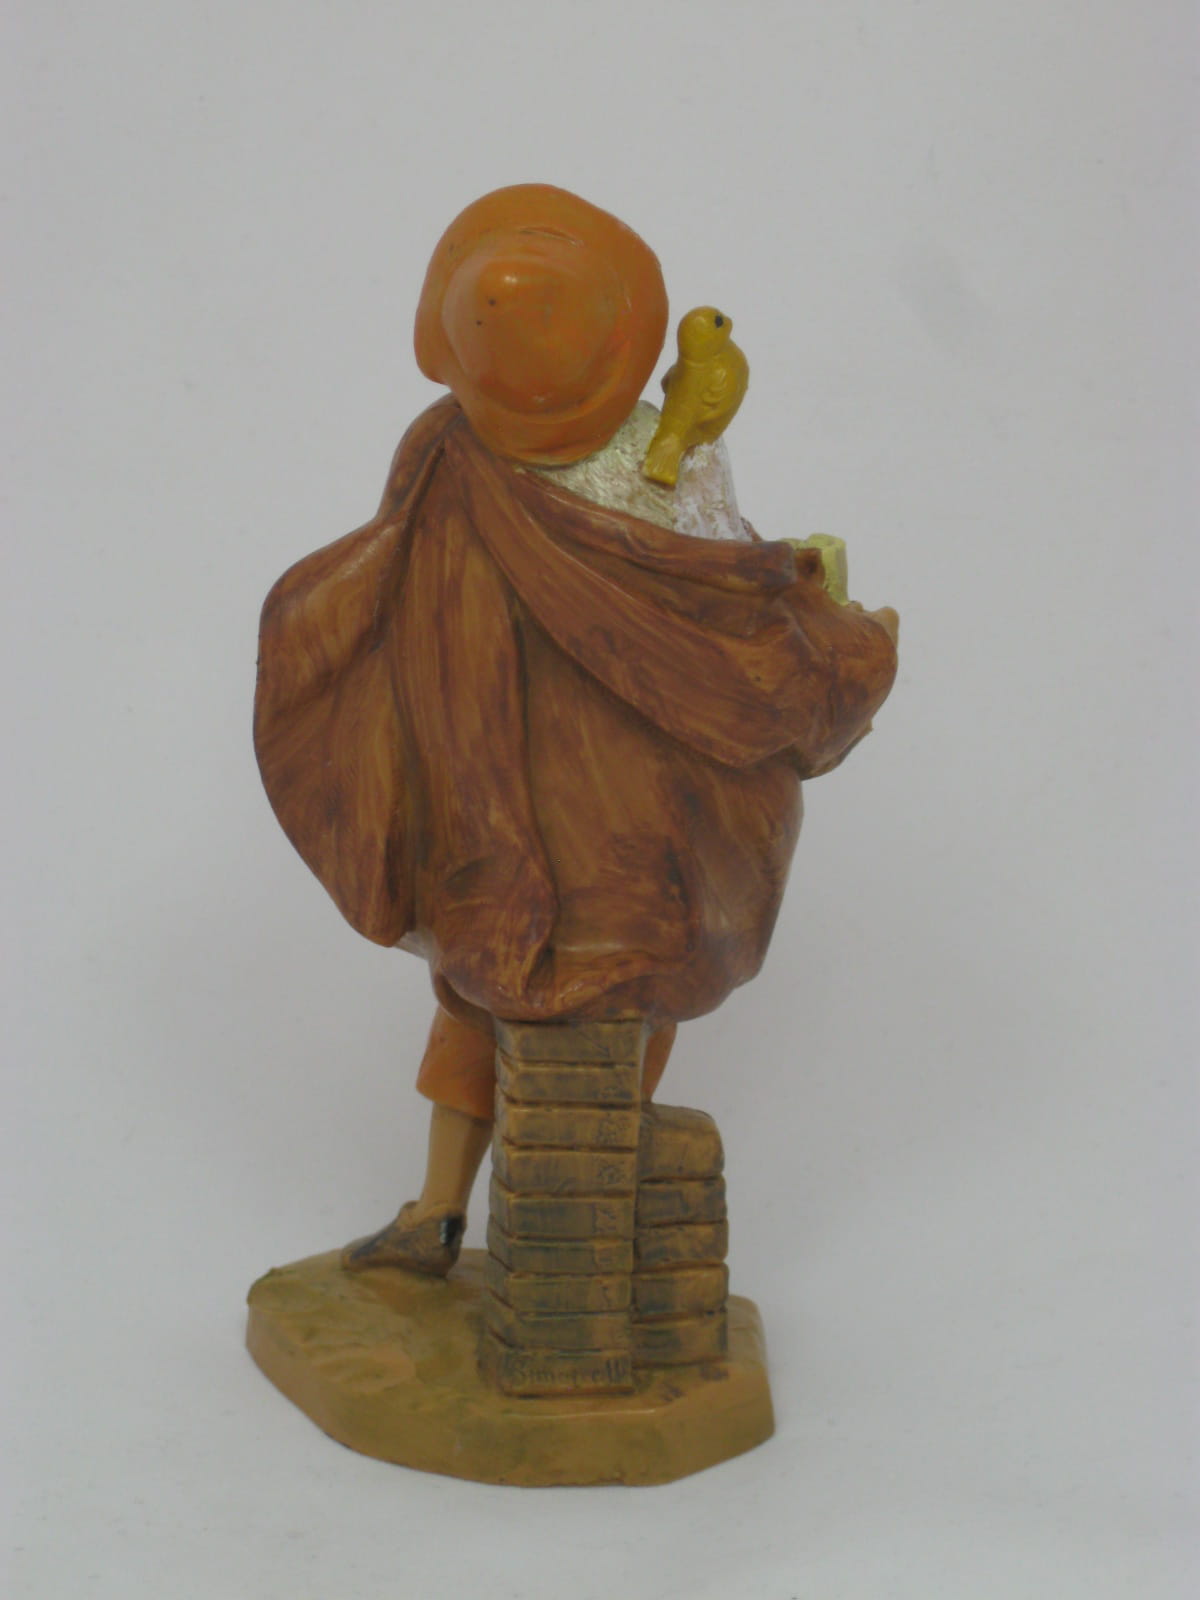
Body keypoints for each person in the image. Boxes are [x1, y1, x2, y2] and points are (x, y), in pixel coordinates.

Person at [253, 184, 899, 1274]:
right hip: (649, 827)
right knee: (629, 1000)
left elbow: (385, 591)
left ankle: (447, 1208)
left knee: (481, 996)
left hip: (496, 817)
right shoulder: (661, 455)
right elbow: (729, 601)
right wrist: (818, 603)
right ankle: (576, 1190)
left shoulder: (444, 451)